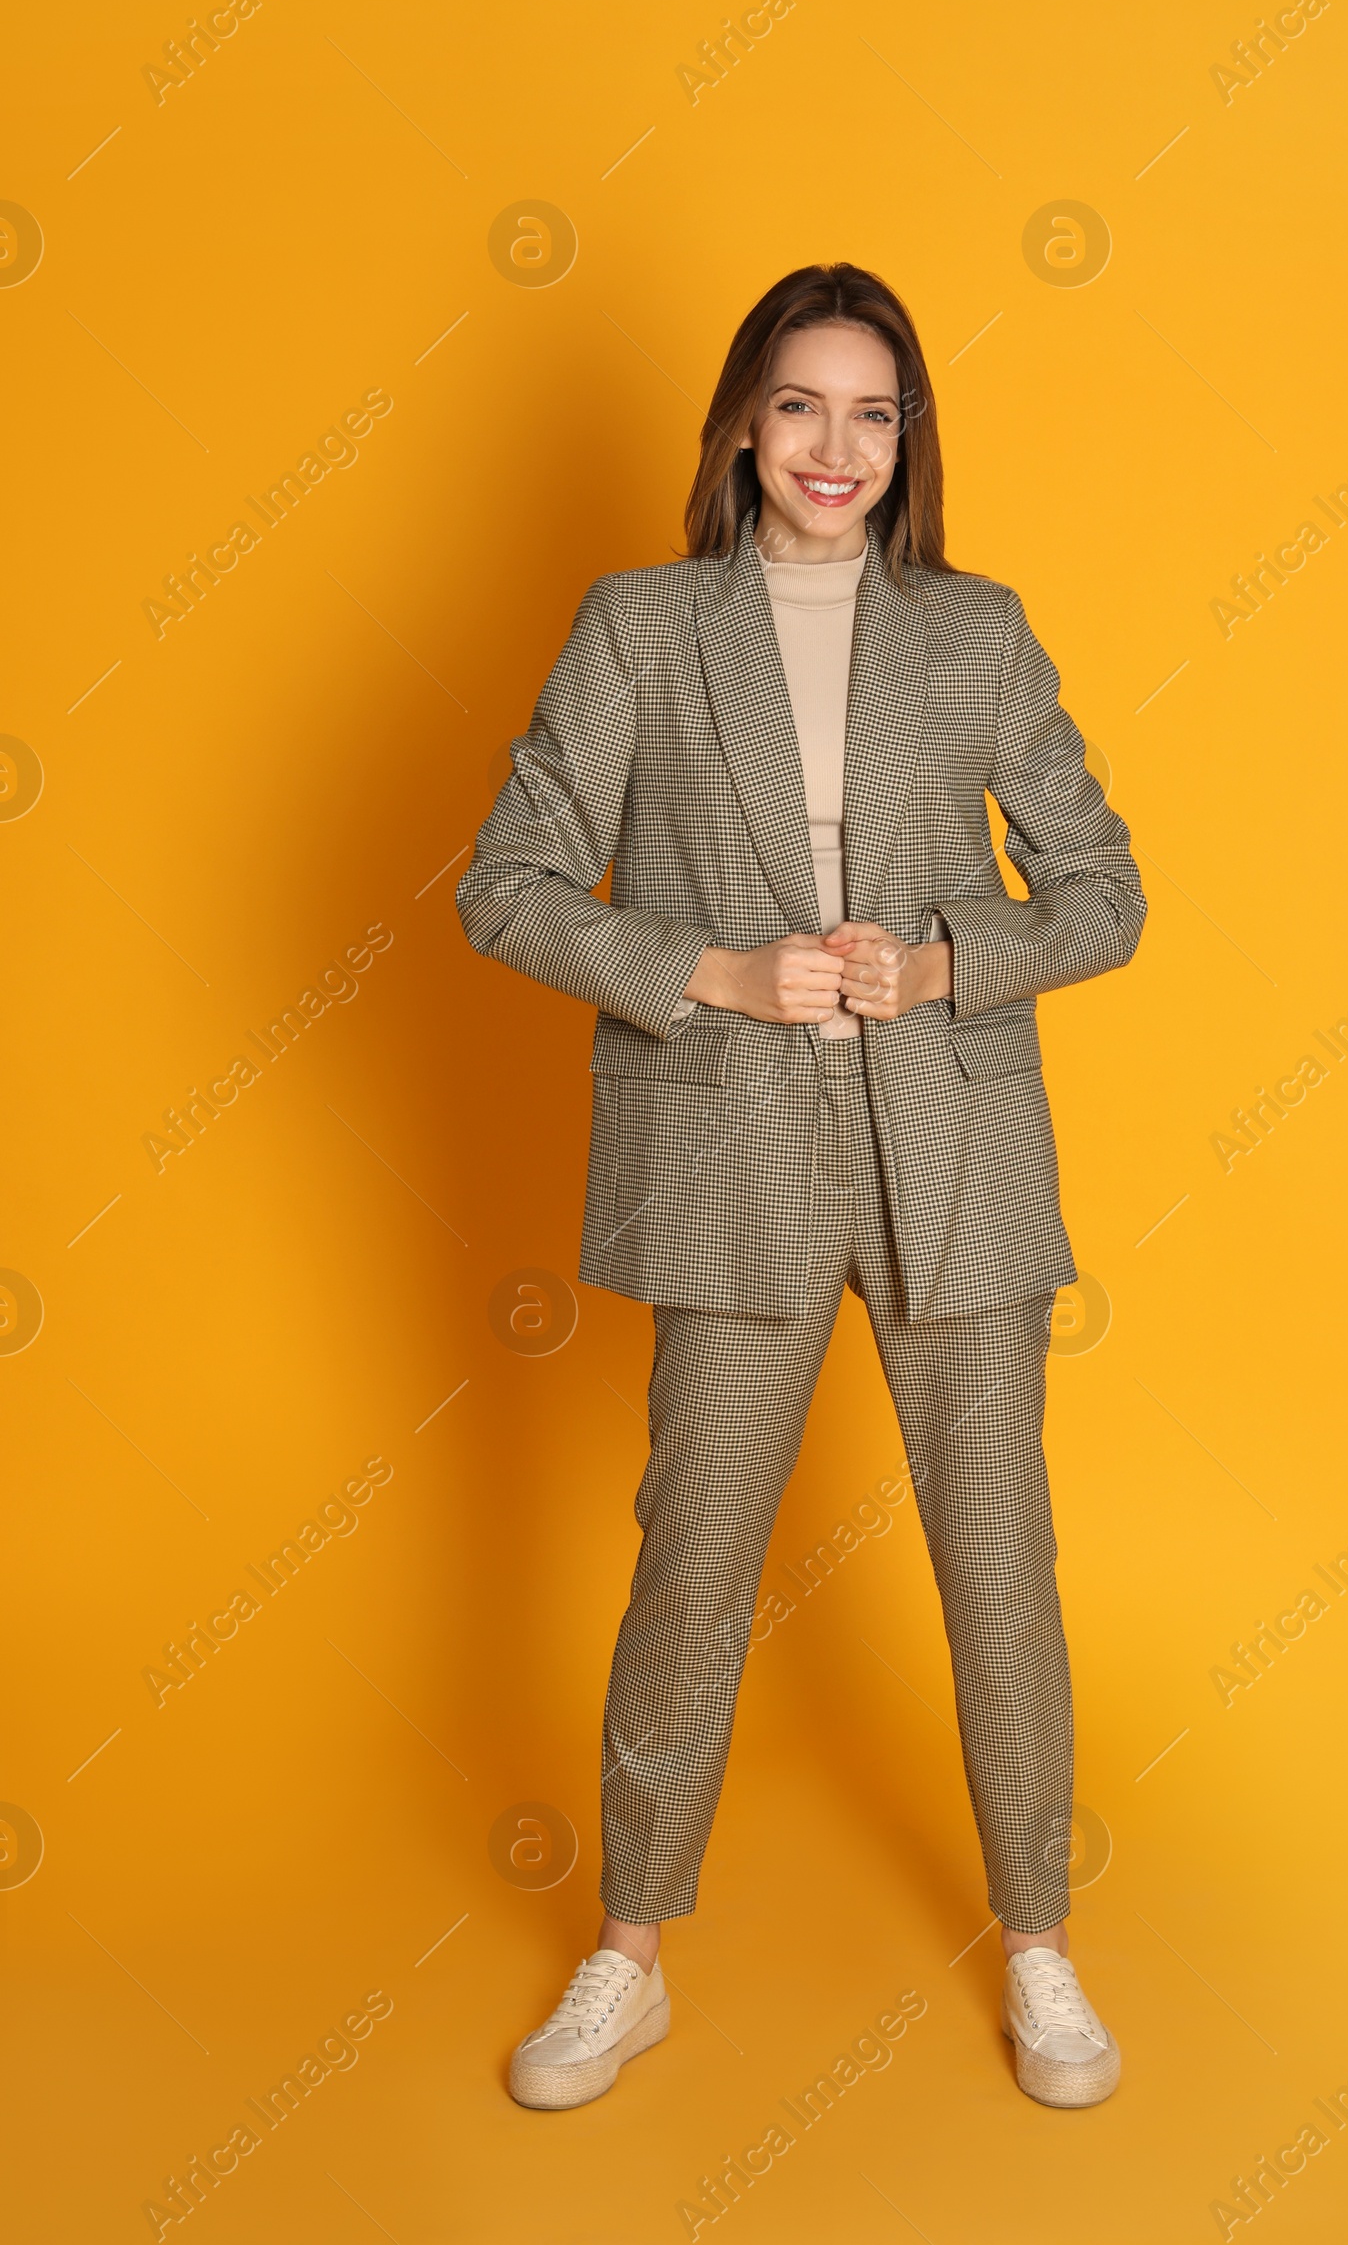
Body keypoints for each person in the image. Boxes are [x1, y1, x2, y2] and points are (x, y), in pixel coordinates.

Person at [456, 262, 1147, 2113]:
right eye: (798, 406)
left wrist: (938, 962)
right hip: (732, 1141)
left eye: (872, 412)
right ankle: (627, 1955)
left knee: (1000, 1563)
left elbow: (1105, 893)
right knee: (691, 1563)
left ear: (905, 438)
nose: (833, 447)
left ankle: (1042, 1951)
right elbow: (507, 883)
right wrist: (717, 970)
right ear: (740, 427)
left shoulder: (981, 635)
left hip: (958, 1146)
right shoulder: (642, 630)